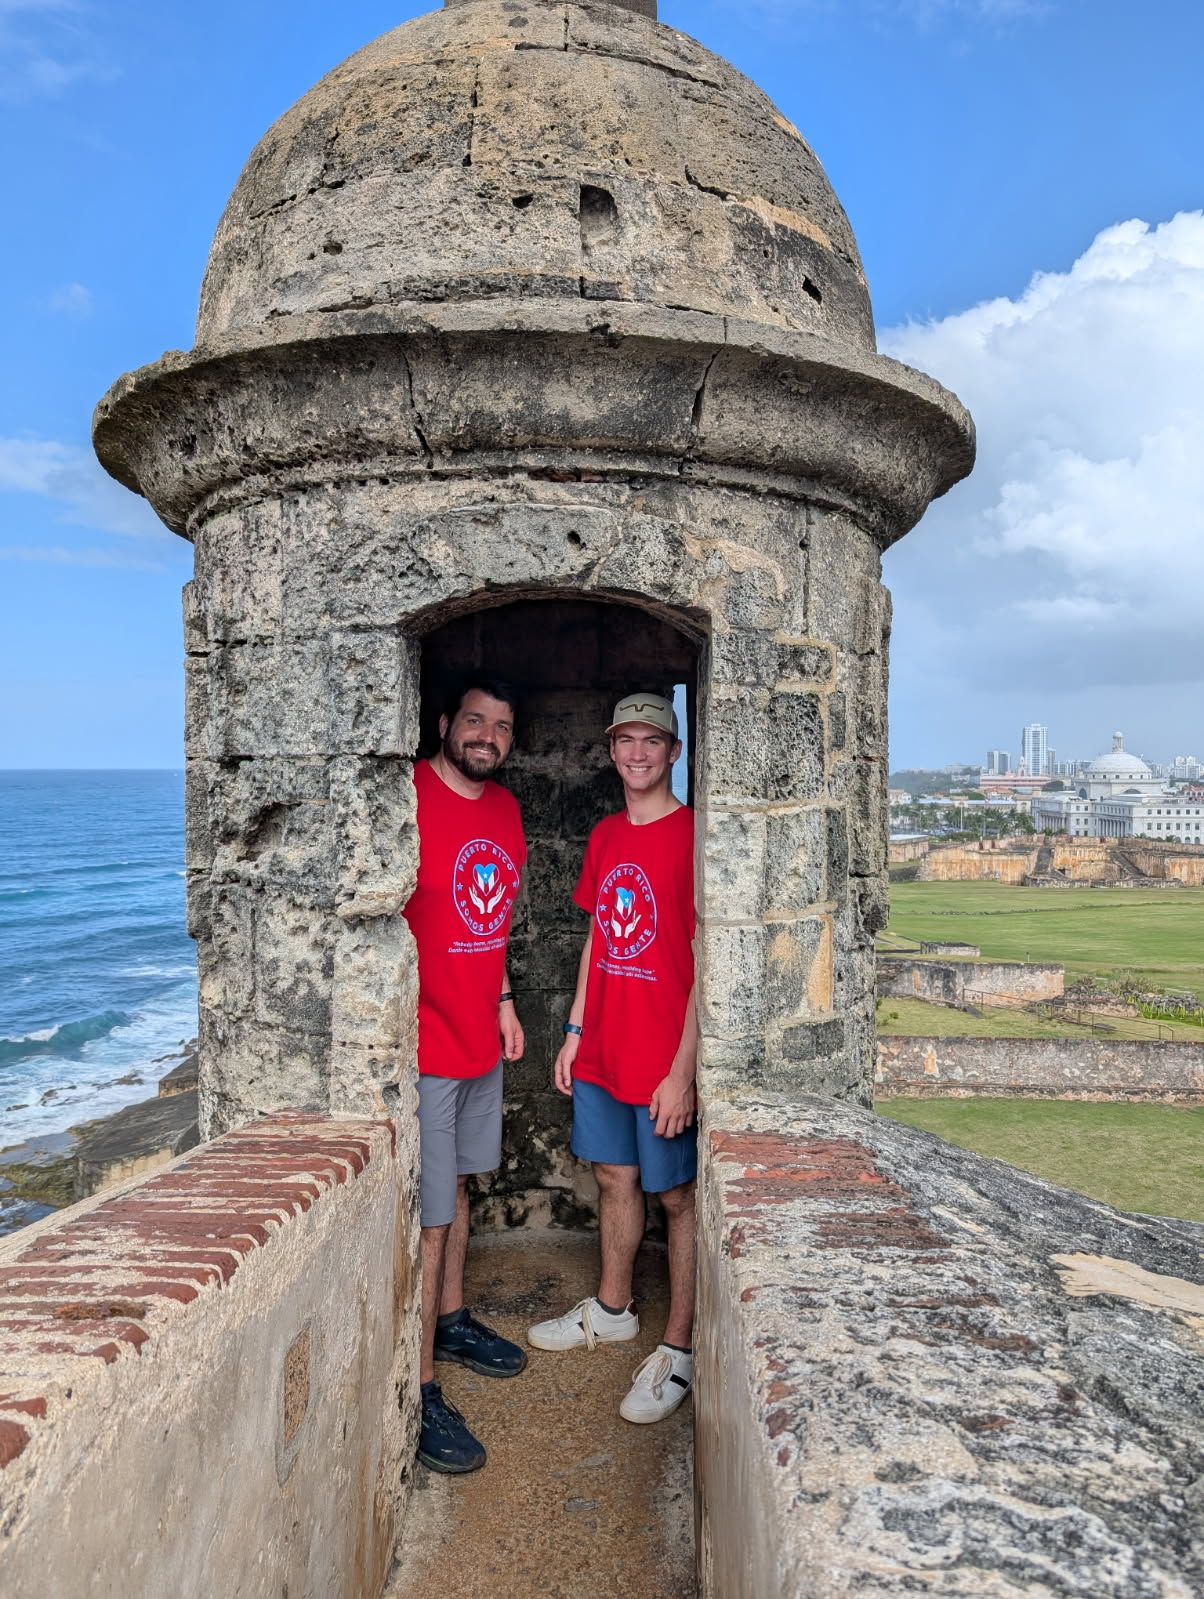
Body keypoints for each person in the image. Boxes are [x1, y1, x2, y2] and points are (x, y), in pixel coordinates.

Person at [527, 691, 697, 1424]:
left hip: (662, 1054)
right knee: (612, 1175)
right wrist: (572, 1029)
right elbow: (600, 939)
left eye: (650, 741)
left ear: (673, 751)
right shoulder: (604, 836)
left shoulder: (694, 836)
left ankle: (679, 1350)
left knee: (678, 1198)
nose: (636, 753)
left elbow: (704, 956)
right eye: (624, 741)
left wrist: (682, 1071)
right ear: (612, 748)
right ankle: (614, 1308)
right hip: (604, 1044)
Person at [402, 677, 529, 1474]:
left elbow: (496, 916)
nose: (487, 736)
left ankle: (451, 1318)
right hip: (422, 1042)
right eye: (475, 721)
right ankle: (417, 1392)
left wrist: (507, 999)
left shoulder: (507, 811)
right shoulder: (408, 791)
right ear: (445, 723)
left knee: (461, 1194)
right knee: (431, 1219)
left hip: (481, 1033)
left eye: (503, 726)